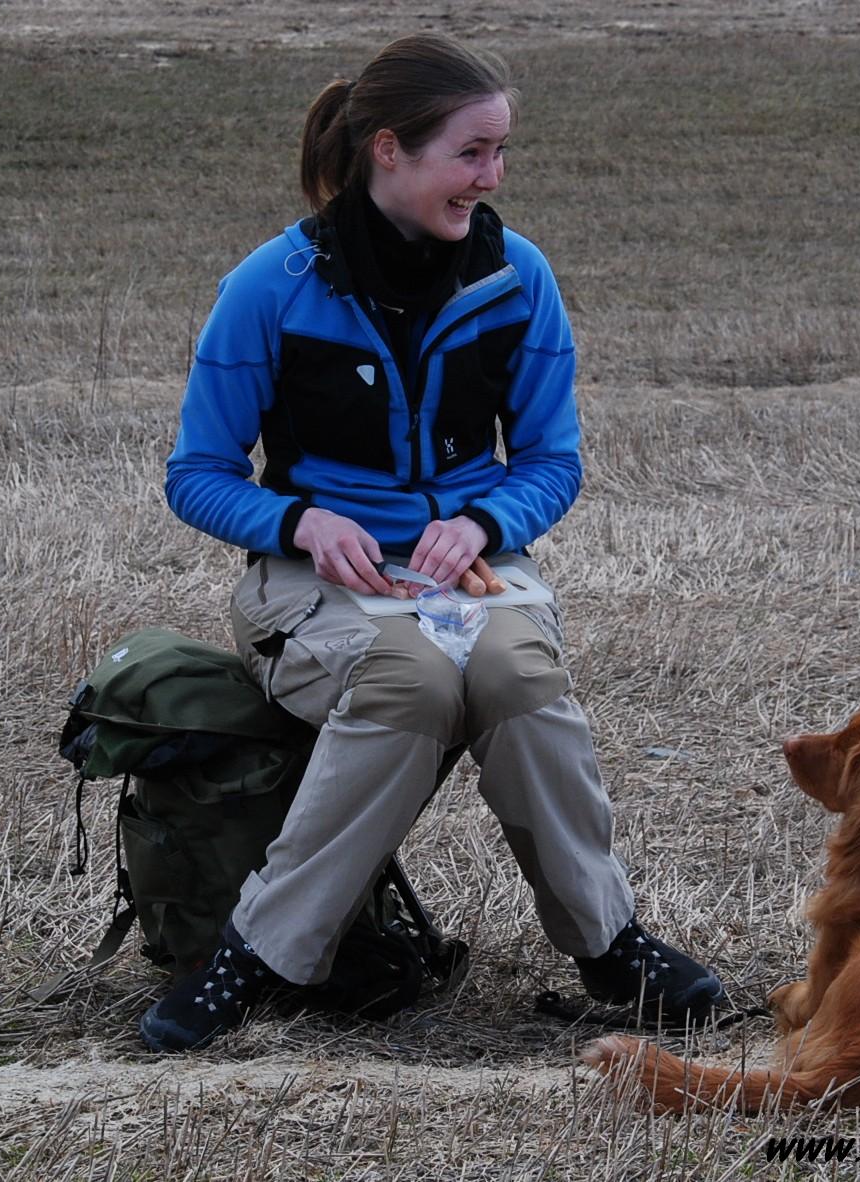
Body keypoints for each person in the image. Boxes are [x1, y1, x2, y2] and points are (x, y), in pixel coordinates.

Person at [142, 32, 727, 1053]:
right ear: (388, 150)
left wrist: (483, 521)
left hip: (477, 571)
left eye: (500, 153)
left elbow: (551, 459)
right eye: (471, 152)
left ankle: (608, 944)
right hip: (308, 583)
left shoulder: (520, 279)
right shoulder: (270, 285)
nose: (492, 177)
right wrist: (299, 521)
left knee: (515, 676)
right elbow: (195, 475)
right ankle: (258, 957)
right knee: (411, 680)